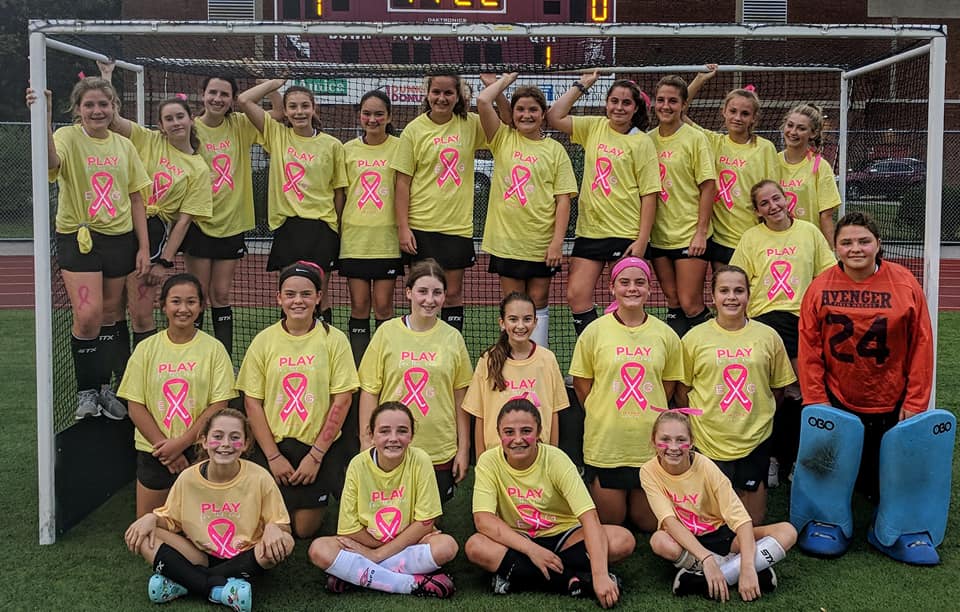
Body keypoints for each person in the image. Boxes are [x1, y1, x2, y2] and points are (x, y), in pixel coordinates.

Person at [28, 80, 151, 420]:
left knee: (112, 316)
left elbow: (137, 198)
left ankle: (106, 389)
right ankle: (87, 391)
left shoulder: (124, 146)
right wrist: (44, 115)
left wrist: (143, 247)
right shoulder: (68, 137)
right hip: (79, 236)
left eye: (103, 105)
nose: (97, 111)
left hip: (120, 238)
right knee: (87, 316)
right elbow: (50, 161)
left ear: (114, 108)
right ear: (78, 109)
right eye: (90, 105)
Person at [798, 211, 934, 500]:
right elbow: (809, 349)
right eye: (846, 242)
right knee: (836, 479)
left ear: (878, 243)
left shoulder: (905, 283)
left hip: (890, 397)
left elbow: (921, 345)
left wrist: (915, 400)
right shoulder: (820, 287)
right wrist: (816, 399)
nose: (856, 249)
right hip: (839, 396)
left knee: (884, 484)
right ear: (835, 247)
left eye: (864, 241)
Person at [465, 398, 635, 608]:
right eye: (509, 432)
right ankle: (572, 580)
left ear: (539, 432)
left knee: (623, 540)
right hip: (519, 538)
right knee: (476, 546)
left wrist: (600, 575)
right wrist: (532, 550)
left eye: (526, 431)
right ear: (499, 434)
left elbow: (589, 517)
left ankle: (518, 577)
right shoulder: (489, 461)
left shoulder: (556, 459)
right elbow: (483, 520)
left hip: (564, 536)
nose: (518, 439)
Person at [123, 408, 294, 612]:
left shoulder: (260, 477)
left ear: (246, 444)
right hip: (198, 554)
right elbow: (170, 520)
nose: (225, 444)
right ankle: (220, 590)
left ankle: (184, 582)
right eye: (218, 436)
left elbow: (282, 527)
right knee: (142, 534)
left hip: (245, 555)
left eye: (235, 437)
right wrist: (150, 518)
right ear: (204, 441)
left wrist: (275, 528)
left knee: (286, 542)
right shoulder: (188, 478)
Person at [236, 261, 359, 539]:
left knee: (302, 530)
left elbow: (342, 400)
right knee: (269, 524)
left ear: (318, 297)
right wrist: (273, 456)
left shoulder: (334, 340)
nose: (298, 301)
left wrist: (315, 456)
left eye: (306, 294)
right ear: (279, 298)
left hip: (316, 449)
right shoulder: (264, 341)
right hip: (275, 446)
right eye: (290, 294)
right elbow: (252, 403)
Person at [99, 61, 213, 350]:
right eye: (168, 119)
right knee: (112, 309)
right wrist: (107, 77)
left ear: (190, 120)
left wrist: (164, 261)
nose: (175, 123)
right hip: (123, 222)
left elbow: (183, 221)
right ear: (160, 126)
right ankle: (117, 379)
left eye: (180, 116)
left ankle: (142, 376)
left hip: (153, 232)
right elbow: (112, 119)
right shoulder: (148, 140)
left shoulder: (198, 168)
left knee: (140, 312)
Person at [730, 180, 835, 486]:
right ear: (757, 211)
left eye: (776, 198)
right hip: (764, 321)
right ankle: (772, 459)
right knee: (771, 396)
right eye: (764, 203)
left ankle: (799, 460)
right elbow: (738, 279)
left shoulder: (809, 232)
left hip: (802, 320)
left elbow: (826, 275)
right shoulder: (751, 238)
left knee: (803, 393)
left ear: (787, 198)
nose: (773, 206)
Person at [569, 257, 684, 530]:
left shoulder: (665, 335)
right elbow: (583, 385)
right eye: (625, 282)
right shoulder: (594, 332)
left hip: (647, 445)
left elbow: (667, 387)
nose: (632, 288)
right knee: (612, 522)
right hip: (606, 444)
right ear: (612, 288)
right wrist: (603, 410)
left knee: (647, 524)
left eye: (639, 283)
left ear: (649, 289)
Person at [676, 265, 797, 522]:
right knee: (712, 521)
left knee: (752, 522)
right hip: (708, 438)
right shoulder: (694, 338)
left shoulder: (768, 337)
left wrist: (758, 414)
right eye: (724, 290)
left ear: (748, 296)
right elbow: (682, 391)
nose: (731, 297)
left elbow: (778, 388)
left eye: (739, 291)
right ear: (713, 296)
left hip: (755, 437)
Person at [545, 70, 661, 337]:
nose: (619, 107)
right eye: (614, 101)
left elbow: (649, 194)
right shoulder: (594, 126)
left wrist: (642, 240)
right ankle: (595, 349)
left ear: (635, 108)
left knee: (626, 300)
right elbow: (554, 116)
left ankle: (623, 355)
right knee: (576, 296)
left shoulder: (641, 141)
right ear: (607, 103)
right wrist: (583, 84)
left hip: (626, 232)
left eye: (626, 103)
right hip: (590, 231)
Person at [641, 411, 797, 601]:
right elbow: (669, 521)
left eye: (680, 439)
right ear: (653, 440)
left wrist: (747, 566)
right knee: (659, 541)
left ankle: (705, 577)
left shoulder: (706, 467)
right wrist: (706, 558)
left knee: (787, 532)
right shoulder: (648, 471)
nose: (673, 447)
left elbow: (740, 518)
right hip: (685, 540)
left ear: (691, 442)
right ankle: (733, 569)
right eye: (665, 439)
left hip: (723, 535)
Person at [307, 402, 458, 598]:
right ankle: (410, 584)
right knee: (319, 550)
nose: (393, 439)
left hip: (409, 543)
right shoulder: (358, 464)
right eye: (384, 431)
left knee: (446, 546)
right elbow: (348, 528)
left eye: (402, 431)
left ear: (412, 435)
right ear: (371, 434)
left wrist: (377, 555)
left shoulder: (420, 460)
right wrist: (375, 549)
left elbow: (425, 523)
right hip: (369, 543)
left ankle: (357, 575)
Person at [391, 73, 502, 333]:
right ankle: (420, 344)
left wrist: (494, 88)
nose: (442, 98)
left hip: (456, 227)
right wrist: (403, 227)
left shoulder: (470, 124)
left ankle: (453, 348)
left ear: (458, 96)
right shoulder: (414, 130)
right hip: (421, 226)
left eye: (448, 93)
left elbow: (504, 127)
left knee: (452, 295)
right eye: (436, 92)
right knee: (421, 295)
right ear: (427, 94)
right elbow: (402, 183)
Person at [119, 273, 237, 517]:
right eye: (176, 301)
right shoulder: (146, 349)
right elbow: (135, 405)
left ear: (202, 306)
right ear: (163, 305)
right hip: (155, 449)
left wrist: (182, 444)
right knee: (148, 527)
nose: (183, 309)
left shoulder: (214, 349)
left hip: (201, 448)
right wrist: (167, 450)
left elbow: (219, 405)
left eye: (191, 302)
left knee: (200, 525)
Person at [357, 259, 473, 504]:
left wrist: (463, 448)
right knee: (392, 518)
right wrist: (366, 441)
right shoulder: (386, 333)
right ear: (409, 292)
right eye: (422, 291)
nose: (429, 300)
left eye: (437, 293)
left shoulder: (452, 337)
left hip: (438, 446)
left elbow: (461, 396)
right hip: (392, 444)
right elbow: (369, 391)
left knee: (428, 525)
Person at [477, 73, 577, 346]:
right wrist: (504, 82)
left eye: (533, 109)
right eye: (520, 109)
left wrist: (557, 243)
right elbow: (483, 101)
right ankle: (510, 361)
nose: (526, 115)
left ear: (544, 114)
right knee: (514, 305)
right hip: (507, 243)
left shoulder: (555, 150)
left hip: (541, 244)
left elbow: (563, 200)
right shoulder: (502, 138)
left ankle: (538, 359)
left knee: (539, 303)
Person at [236, 79, 347, 323]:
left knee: (319, 293)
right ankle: (289, 346)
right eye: (293, 107)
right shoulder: (277, 135)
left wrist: (336, 227)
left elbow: (339, 192)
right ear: (285, 111)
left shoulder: (332, 145)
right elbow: (244, 100)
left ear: (313, 108)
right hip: (287, 226)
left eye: (305, 106)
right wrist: (274, 84)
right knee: (290, 291)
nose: (299, 112)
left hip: (321, 226)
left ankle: (323, 342)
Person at [184, 76, 277, 361]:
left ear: (233, 98)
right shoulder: (189, 128)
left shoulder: (240, 124)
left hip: (233, 223)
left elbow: (280, 115)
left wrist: (272, 84)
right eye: (212, 92)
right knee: (196, 296)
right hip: (198, 222)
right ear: (202, 94)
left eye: (224, 94)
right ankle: (193, 357)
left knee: (221, 295)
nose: (217, 99)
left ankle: (223, 361)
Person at [684, 64, 779, 266]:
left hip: (755, 236)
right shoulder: (713, 142)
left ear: (753, 118)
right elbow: (680, 113)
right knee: (727, 294)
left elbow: (771, 192)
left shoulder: (765, 148)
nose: (737, 117)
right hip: (722, 240)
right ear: (724, 112)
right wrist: (699, 80)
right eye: (733, 111)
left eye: (744, 114)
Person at [647, 75, 718, 337]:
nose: (666, 106)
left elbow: (708, 186)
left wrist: (701, 231)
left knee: (691, 303)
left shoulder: (695, 139)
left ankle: (709, 353)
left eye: (673, 101)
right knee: (674, 301)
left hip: (689, 235)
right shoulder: (647, 139)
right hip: (659, 237)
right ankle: (680, 363)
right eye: (661, 100)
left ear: (684, 105)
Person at [340, 90, 403, 364]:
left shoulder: (401, 147)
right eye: (367, 113)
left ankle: (383, 363)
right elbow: (341, 196)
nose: (372, 119)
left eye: (379, 114)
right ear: (359, 115)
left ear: (389, 117)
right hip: (355, 240)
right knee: (359, 306)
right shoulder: (347, 150)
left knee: (383, 307)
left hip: (387, 240)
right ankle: (359, 365)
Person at [463, 292, 568, 454]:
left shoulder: (547, 359)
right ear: (502, 323)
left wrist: (553, 455)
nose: (520, 326)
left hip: (538, 454)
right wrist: (481, 460)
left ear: (535, 322)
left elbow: (554, 413)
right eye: (513, 319)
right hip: (496, 456)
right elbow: (480, 415)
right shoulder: (488, 360)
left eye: (527, 319)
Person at [778, 103, 841, 244]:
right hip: (777, 243)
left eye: (801, 128)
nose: (793, 132)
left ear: (813, 133)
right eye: (790, 125)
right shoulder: (772, 161)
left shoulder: (820, 167)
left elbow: (826, 216)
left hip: (807, 244)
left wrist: (833, 252)